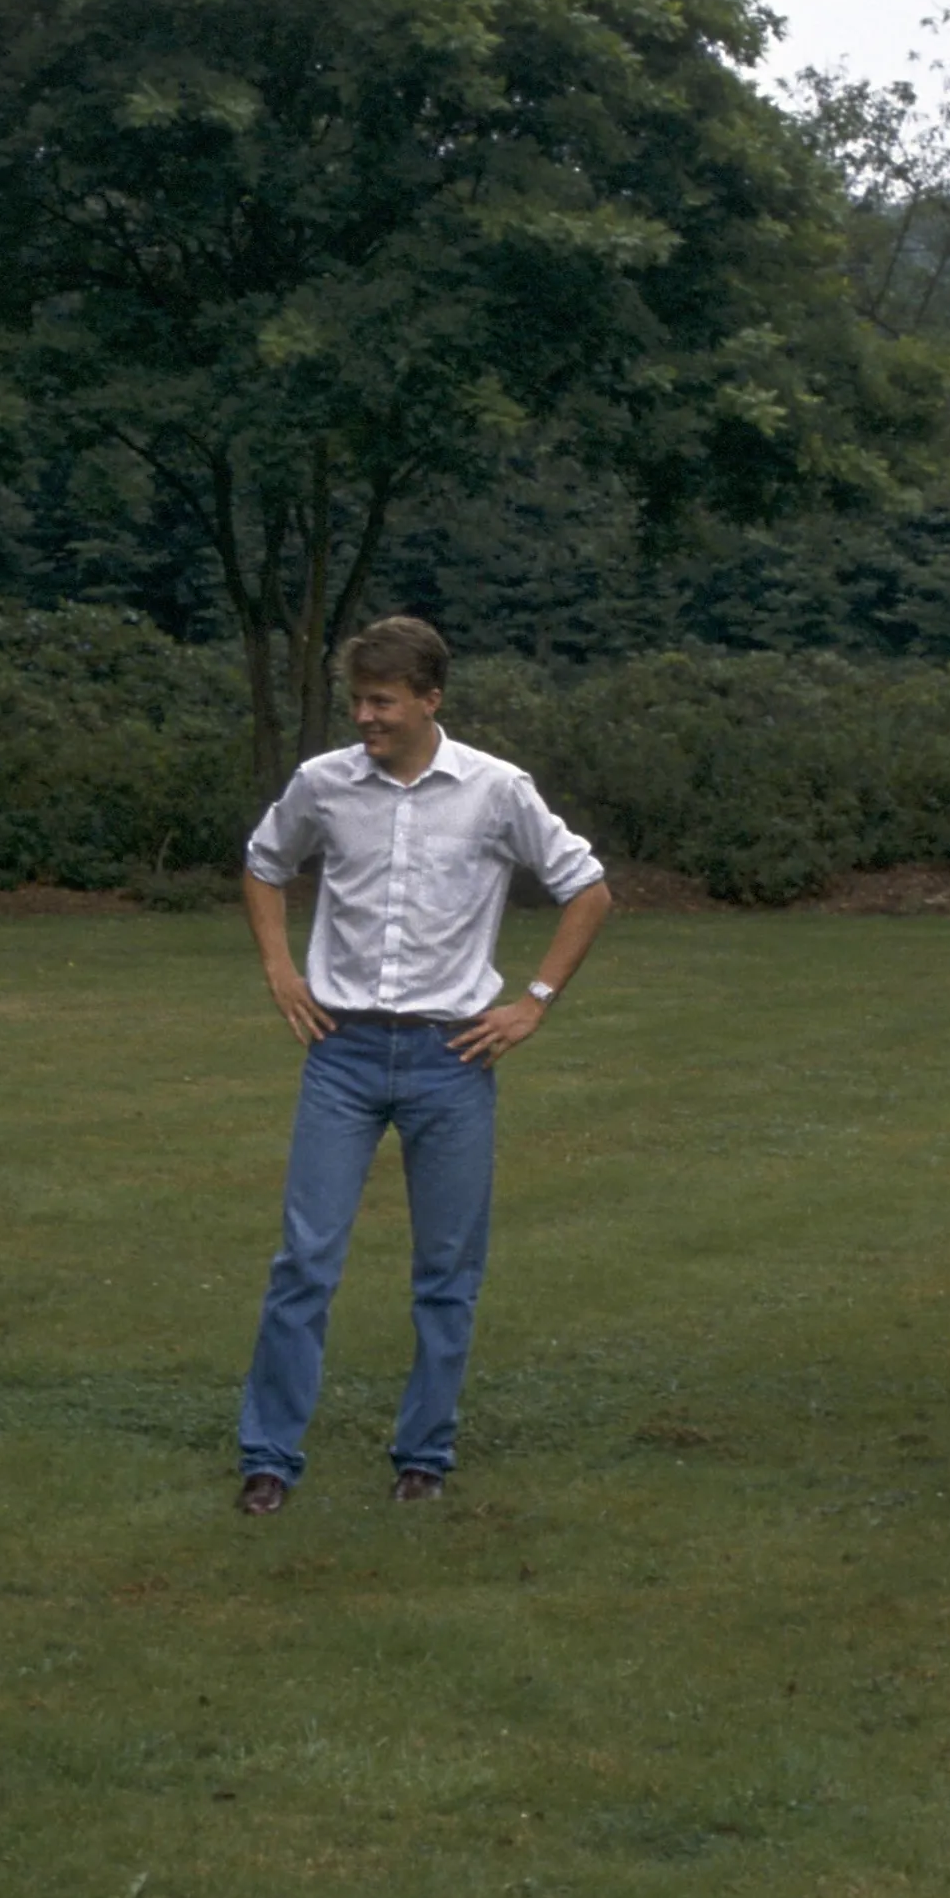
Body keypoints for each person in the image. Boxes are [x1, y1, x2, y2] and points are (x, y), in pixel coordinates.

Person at [232, 617, 612, 1513]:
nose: (365, 717)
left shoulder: (495, 790)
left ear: (430, 699)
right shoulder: (322, 784)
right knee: (305, 1261)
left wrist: (534, 1003)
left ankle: (422, 1457)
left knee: (447, 1271)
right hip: (342, 1051)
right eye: (357, 700)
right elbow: (262, 863)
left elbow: (587, 889)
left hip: (452, 1055)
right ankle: (268, 1458)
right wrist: (282, 969)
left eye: (382, 702)